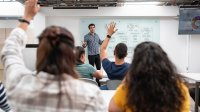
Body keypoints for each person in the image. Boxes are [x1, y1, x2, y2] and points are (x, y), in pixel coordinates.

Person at [1, 0, 106, 111]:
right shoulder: (91, 96)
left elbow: (9, 51)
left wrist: (27, 17)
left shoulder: (20, 85)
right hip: (91, 55)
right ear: (71, 56)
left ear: (39, 54)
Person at [109, 41, 190, 112]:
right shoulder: (180, 89)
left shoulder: (128, 89)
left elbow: (112, 109)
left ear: (136, 64)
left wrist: (128, 77)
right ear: (164, 62)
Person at [100, 22, 130, 90]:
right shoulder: (131, 68)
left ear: (114, 53)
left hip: (110, 92)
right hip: (124, 94)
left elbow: (102, 49)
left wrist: (109, 34)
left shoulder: (108, 66)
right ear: (126, 54)